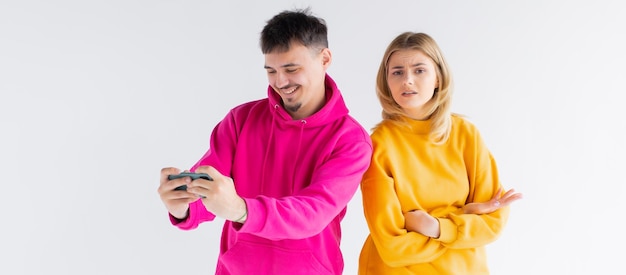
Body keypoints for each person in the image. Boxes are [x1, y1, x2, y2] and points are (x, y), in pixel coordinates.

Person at [157, 8, 373, 275]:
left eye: (291, 69)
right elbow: (210, 187)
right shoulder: (240, 120)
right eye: (271, 70)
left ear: (324, 59)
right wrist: (182, 205)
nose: (280, 82)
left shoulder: (351, 140)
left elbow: (313, 212)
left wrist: (241, 210)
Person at [358, 32, 522, 274]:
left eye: (419, 70)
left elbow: (493, 222)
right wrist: (464, 217)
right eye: (397, 72)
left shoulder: (466, 135)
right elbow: (392, 247)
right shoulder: (378, 145)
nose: (408, 80)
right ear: (387, 81)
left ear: (438, 78)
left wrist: (436, 227)